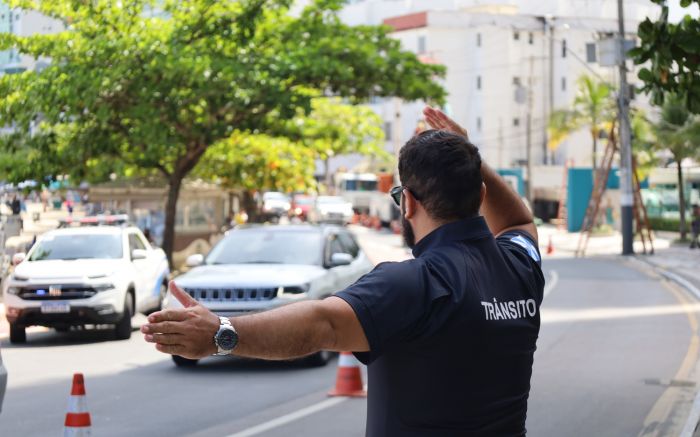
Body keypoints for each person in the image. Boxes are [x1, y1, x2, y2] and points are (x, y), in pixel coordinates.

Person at [142, 106, 544, 436]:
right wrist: (469, 158)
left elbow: (324, 324)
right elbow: (519, 223)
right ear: (482, 194)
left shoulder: (419, 283)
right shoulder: (518, 266)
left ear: (408, 204)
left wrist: (220, 334)